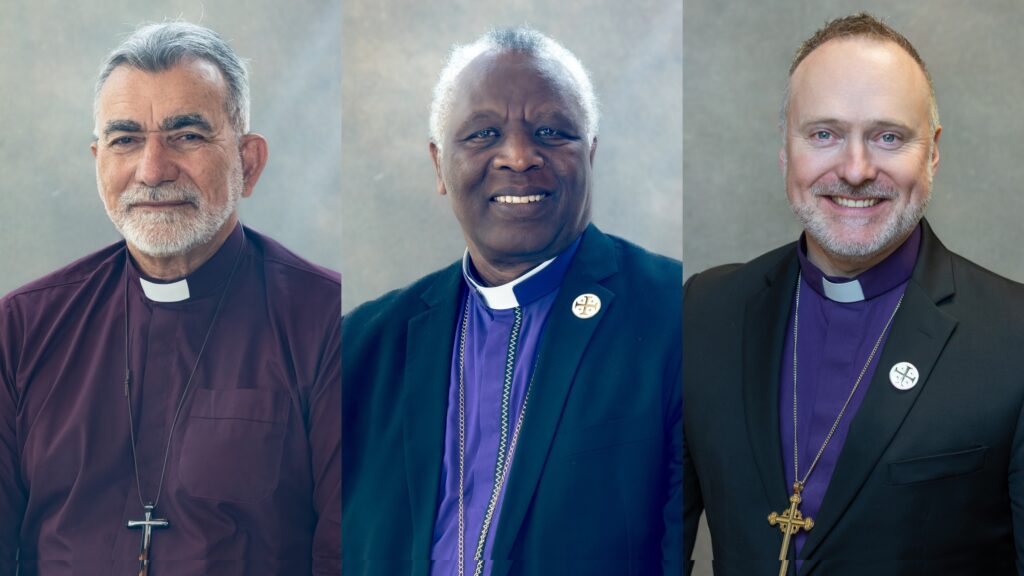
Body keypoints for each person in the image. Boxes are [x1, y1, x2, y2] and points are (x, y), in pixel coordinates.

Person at [684, 12, 1024, 575]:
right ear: (786, 149)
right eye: (824, 134)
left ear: (932, 153)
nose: (856, 168)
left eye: (888, 137)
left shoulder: (1013, 338)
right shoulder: (704, 311)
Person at [0, 22, 340, 575]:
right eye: (125, 139)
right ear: (98, 162)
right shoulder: (22, 328)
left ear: (248, 162)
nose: (152, 170)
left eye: (186, 135)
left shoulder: (329, 323)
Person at [342, 26, 681, 575]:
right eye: (482, 135)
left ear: (589, 153)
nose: (520, 157)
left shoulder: (671, 315)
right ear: (438, 166)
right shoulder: (360, 345)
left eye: (552, 132)